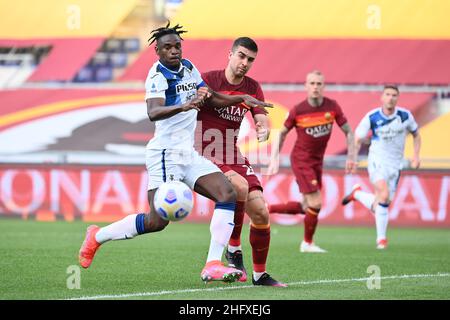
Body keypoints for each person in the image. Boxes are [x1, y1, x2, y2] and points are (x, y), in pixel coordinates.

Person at [78, 22, 272, 284]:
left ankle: (213, 263)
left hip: (188, 154)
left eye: (177, 46)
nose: (173, 51)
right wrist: (184, 106)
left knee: (227, 193)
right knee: (156, 222)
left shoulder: (189, 68)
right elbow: (153, 112)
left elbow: (211, 96)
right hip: (165, 154)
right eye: (167, 47)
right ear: (157, 51)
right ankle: (97, 236)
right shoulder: (157, 76)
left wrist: (240, 99)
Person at [197, 37, 286, 287]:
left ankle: (259, 276)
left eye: (250, 60)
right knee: (240, 187)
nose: (245, 63)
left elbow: (261, 115)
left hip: (231, 152)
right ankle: (234, 251)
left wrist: (263, 129)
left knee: (260, 212)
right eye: (241, 56)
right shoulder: (208, 79)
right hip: (204, 148)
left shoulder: (253, 87)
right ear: (231, 54)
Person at [267, 70, 356, 253]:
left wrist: (352, 156)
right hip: (301, 160)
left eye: (319, 84)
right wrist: (274, 158)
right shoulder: (298, 110)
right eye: (312, 83)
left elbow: (349, 132)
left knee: (307, 206)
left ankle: (265, 209)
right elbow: (281, 133)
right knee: (316, 203)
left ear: (324, 86)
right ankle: (307, 243)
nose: (315, 87)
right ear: (306, 86)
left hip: (317, 162)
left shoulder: (332, 107)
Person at [341, 85, 421, 249]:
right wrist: (353, 158)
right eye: (387, 94)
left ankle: (358, 194)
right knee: (383, 196)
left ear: (397, 98)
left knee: (382, 203)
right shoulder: (372, 117)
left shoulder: (405, 116)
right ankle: (381, 240)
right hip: (377, 160)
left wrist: (416, 156)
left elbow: (416, 135)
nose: (390, 98)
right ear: (382, 97)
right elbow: (357, 138)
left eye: (394, 95)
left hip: (396, 164)